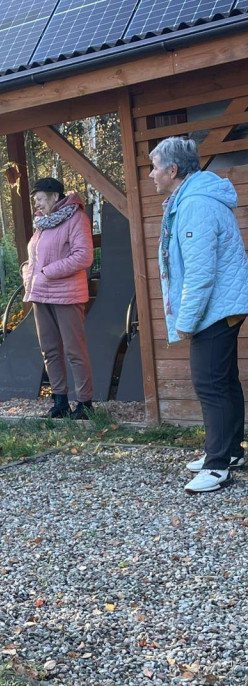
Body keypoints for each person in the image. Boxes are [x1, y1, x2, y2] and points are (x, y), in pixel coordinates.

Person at [150, 136, 248, 494]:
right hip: (224, 305)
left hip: (215, 309)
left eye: (155, 167)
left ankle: (217, 465)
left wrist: (186, 321)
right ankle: (229, 452)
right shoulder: (192, 198)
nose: (151, 175)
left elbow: (201, 272)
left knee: (210, 383)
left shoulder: (195, 205)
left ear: (173, 170)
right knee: (224, 380)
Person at [21, 177, 95, 419]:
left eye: (40, 199)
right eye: (36, 201)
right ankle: (60, 402)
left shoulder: (76, 218)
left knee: (75, 350)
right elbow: (35, 259)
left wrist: (47, 272)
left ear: (55, 196)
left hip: (67, 296)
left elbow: (83, 257)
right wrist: (27, 274)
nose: (38, 205)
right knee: (49, 350)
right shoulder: (42, 224)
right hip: (40, 295)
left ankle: (84, 404)